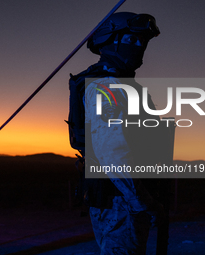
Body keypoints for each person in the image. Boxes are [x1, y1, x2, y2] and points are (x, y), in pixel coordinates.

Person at [69, 12, 165, 254]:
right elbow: (112, 152)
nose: (139, 48)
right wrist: (140, 202)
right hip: (120, 200)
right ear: (110, 42)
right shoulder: (107, 86)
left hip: (118, 197)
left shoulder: (114, 84)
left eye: (142, 42)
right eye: (132, 41)